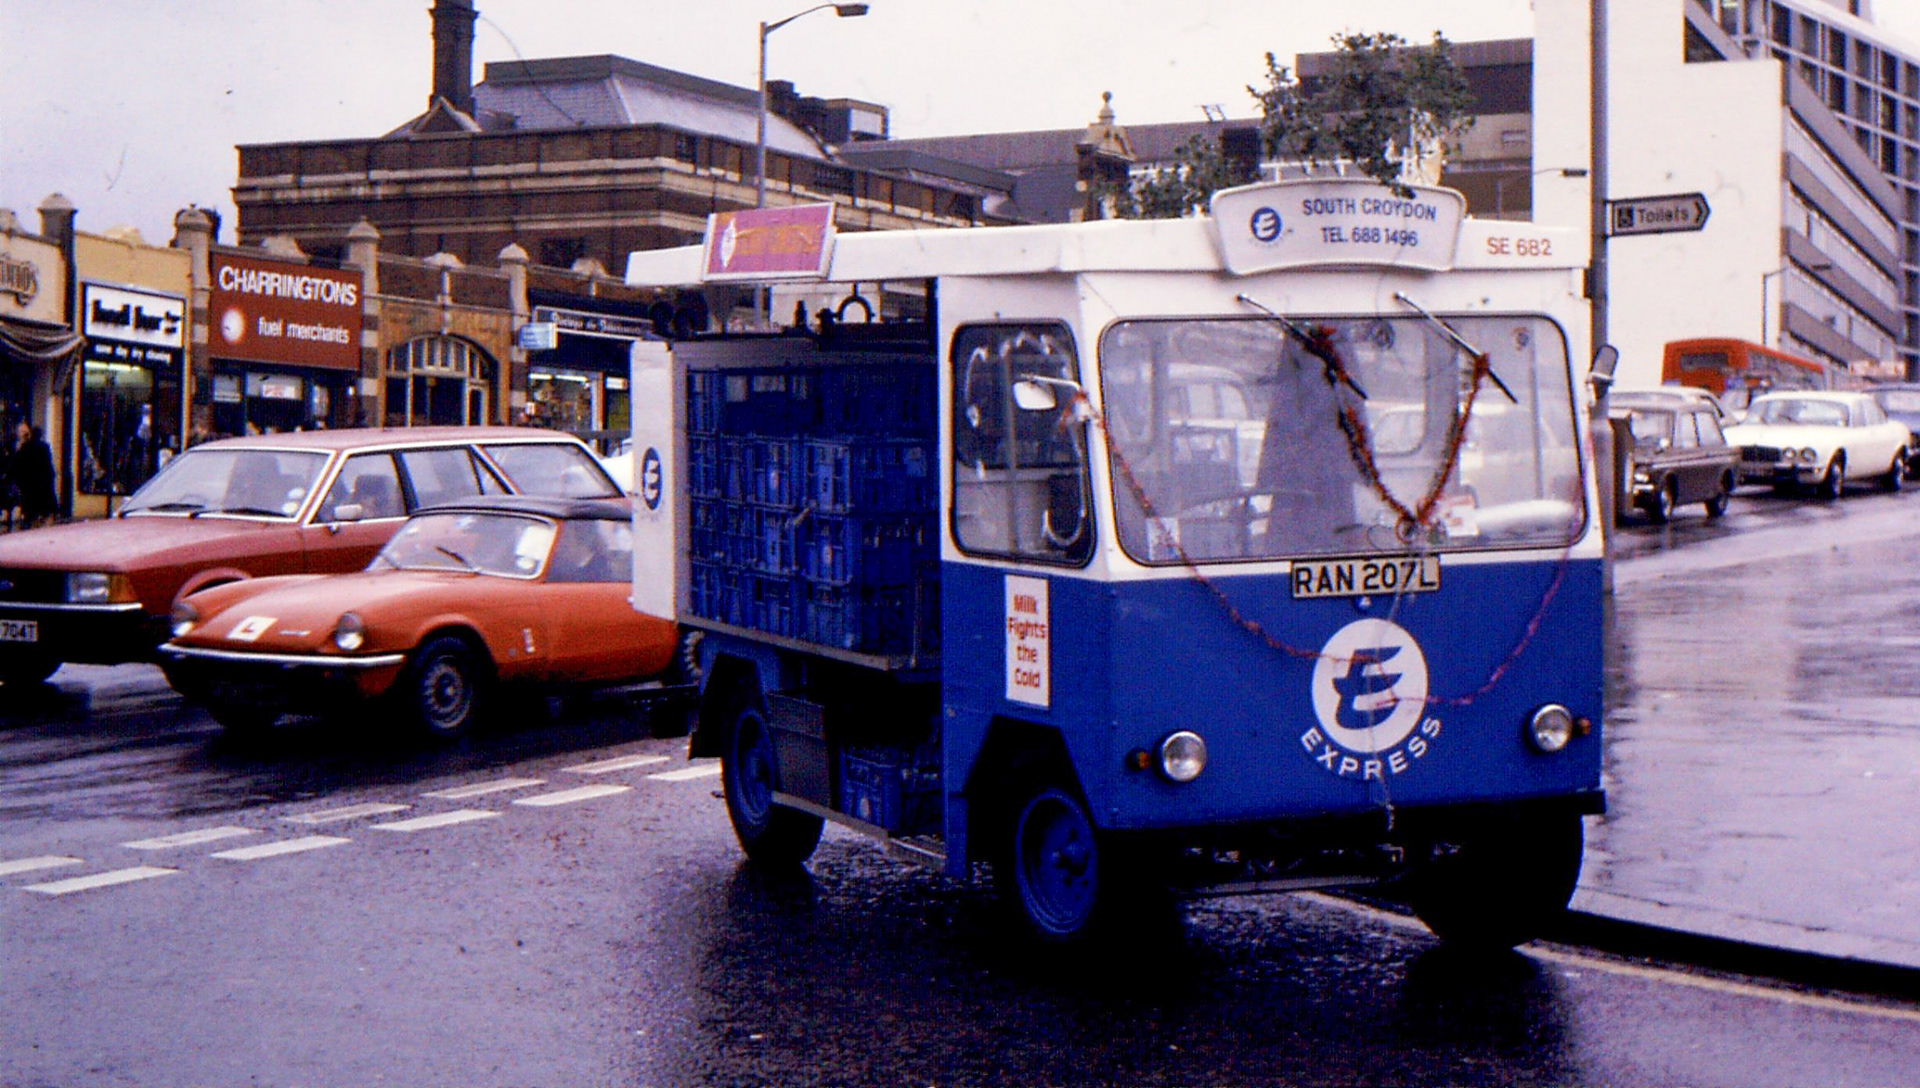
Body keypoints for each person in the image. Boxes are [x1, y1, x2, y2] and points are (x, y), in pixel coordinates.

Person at [13, 421, 57, 529]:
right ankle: (41, 518)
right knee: (43, 501)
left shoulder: (25, 447)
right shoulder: (44, 447)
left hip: (29, 480)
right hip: (42, 480)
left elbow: (18, 463)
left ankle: (30, 519)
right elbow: (47, 463)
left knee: (30, 502)